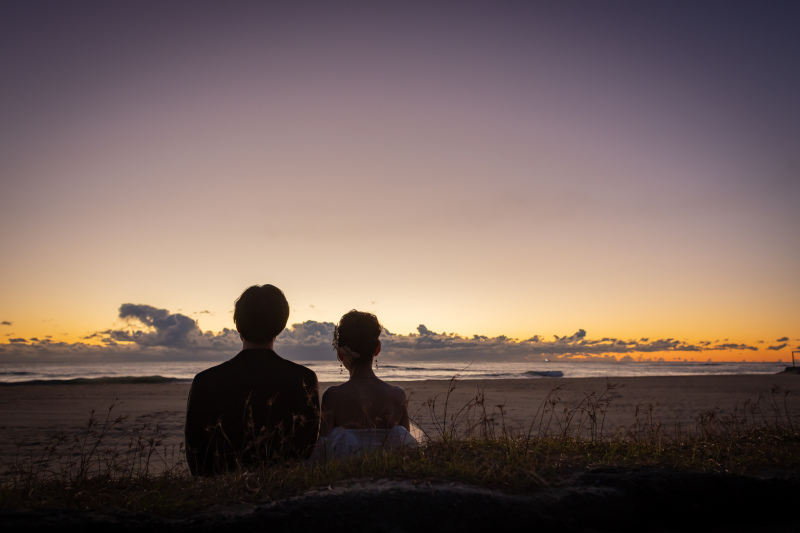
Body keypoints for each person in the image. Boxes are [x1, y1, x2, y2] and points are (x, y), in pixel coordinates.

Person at [185, 285, 319, 476]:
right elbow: (305, 450)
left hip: (222, 494)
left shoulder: (205, 381)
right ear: (281, 327)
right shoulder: (303, 378)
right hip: (283, 489)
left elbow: (196, 459)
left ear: (238, 326)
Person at [314, 310, 416, 459]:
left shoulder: (333, 396)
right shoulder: (397, 395)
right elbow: (406, 452)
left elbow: (322, 454)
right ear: (377, 349)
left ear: (340, 353)